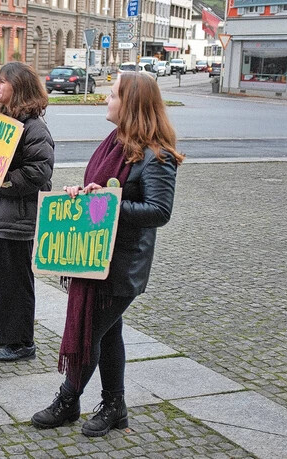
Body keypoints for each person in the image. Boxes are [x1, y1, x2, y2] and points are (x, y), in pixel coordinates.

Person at [31, 72, 184, 437]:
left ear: (130, 103)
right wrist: (83, 195)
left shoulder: (156, 156)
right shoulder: (113, 143)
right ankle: (115, 406)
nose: (106, 99)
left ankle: (68, 400)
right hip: (94, 256)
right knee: (108, 332)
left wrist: (105, 205)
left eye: (113, 95)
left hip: (123, 263)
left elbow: (159, 211)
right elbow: (98, 195)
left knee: (90, 333)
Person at [0, 62, 54, 362]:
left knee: (16, 282)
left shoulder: (33, 127)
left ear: (18, 87)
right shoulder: (4, 121)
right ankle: (3, 332)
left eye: (2, 81)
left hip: (18, 216)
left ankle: (22, 342)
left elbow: (38, 173)